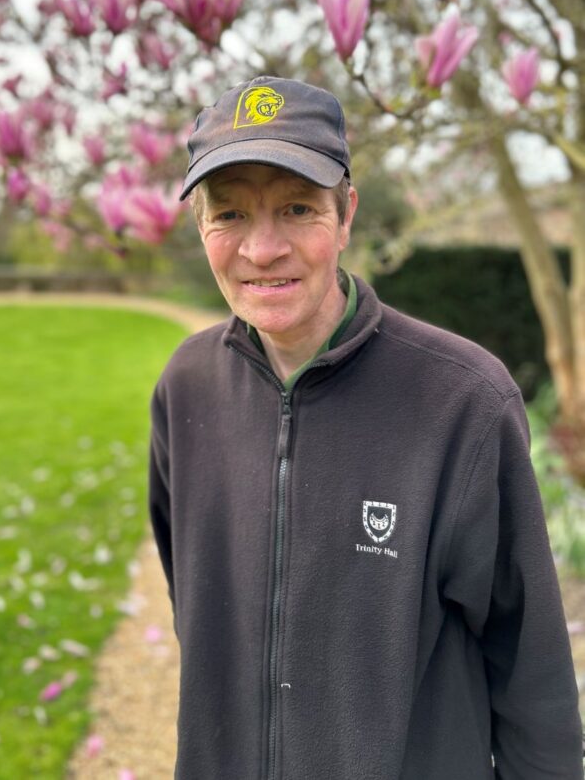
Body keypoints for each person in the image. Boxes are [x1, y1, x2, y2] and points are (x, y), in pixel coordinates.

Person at [148, 75, 583, 779]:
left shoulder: (464, 401)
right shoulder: (185, 387)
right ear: (201, 225)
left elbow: (531, 665)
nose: (263, 249)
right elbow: (193, 599)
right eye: (230, 215)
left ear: (345, 214)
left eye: (296, 208)